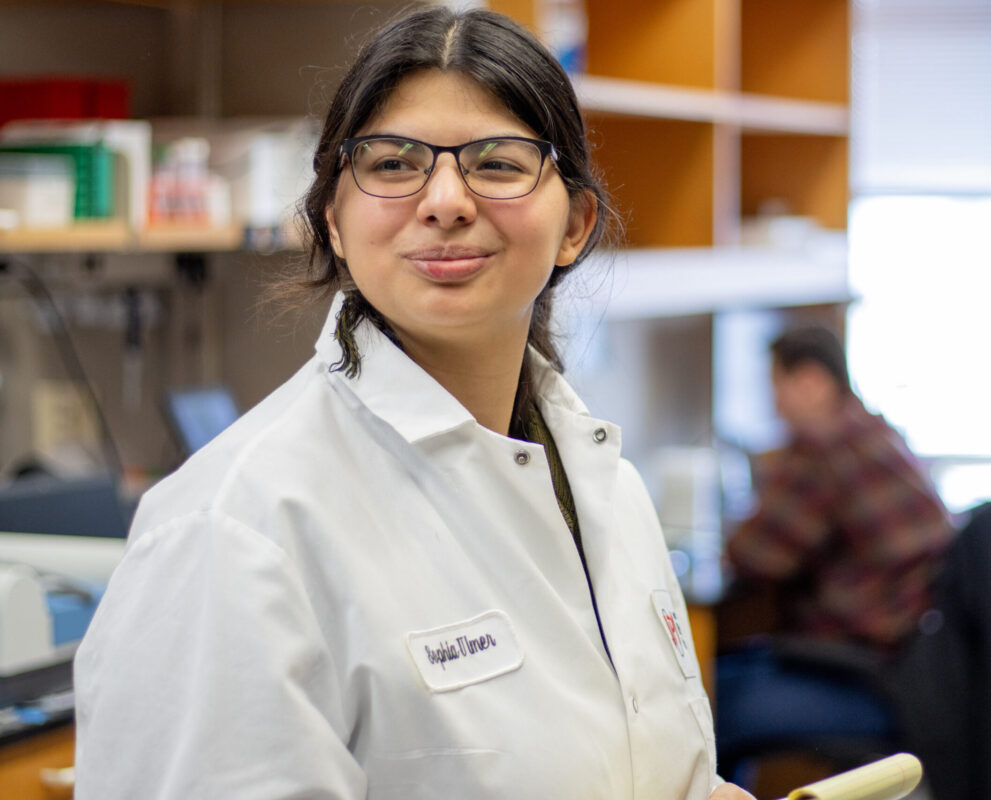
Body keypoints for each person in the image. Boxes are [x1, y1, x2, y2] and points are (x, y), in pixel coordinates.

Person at [72, 7, 754, 799]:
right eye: (394, 164)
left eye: (498, 163)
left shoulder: (608, 491)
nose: (445, 200)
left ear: (576, 224)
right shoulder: (235, 531)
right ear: (332, 217)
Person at [715, 324, 953, 780]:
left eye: (778, 389)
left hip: (869, 680)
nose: (776, 407)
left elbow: (753, 555)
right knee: (730, 668)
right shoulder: (875, 432)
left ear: (810, 382)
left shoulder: (825, 446)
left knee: (702, 706)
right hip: (909, 669)